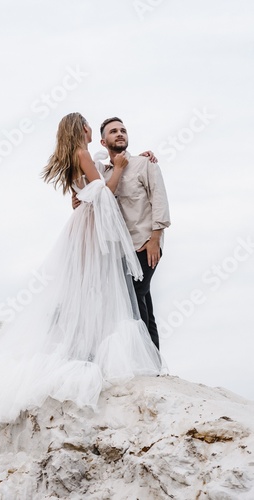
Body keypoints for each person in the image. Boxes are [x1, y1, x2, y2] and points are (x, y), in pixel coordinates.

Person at [0, 113, 164, 442]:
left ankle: (79, 346)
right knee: (94, 288)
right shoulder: (83, 155)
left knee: (84, 289)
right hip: (90, 226)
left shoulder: (78, 157)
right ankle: (80, 351)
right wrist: (123, 170)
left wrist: (139, 158)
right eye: (89, 124)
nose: (91, 127)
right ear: (82, 130)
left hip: (83, 226)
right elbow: (104, 195)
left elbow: (86, 192)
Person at [73, 117, 170, 350]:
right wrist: (78, 197)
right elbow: (88, 197)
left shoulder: (145, 164)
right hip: (120, 249)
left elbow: (159, 200)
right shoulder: (103, 173)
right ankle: (154, 362)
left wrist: (155, 239)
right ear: (103, 141)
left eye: (123, 130)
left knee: (135, 296)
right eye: (113, 131)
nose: (120, 134)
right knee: (143, 300)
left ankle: (144, 356)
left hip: (145, 244)